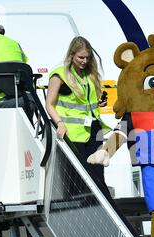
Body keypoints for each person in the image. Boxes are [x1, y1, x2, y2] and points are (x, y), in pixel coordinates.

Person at [45, 36, 110, 184]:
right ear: (71, 55)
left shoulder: (89, 74)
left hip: (93, 129)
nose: (84, 61)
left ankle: (102, 204)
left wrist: (99, 102)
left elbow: (86, 102)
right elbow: (49, 104)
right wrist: (60, 123)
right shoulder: (59, 74)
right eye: (81, 57)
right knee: (77, 178)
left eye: (87, 58)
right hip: (72, 133)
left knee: (97, 175)